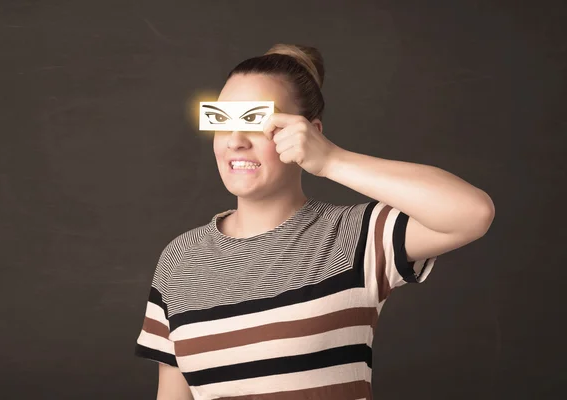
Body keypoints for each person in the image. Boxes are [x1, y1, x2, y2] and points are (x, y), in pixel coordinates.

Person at [134, 43, 495, 400]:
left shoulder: (355, 238)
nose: (237, 141)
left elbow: (472, 213)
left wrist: (332, 160)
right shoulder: (179, 260)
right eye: (222, 120)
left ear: (310, 133)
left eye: (258, 121)